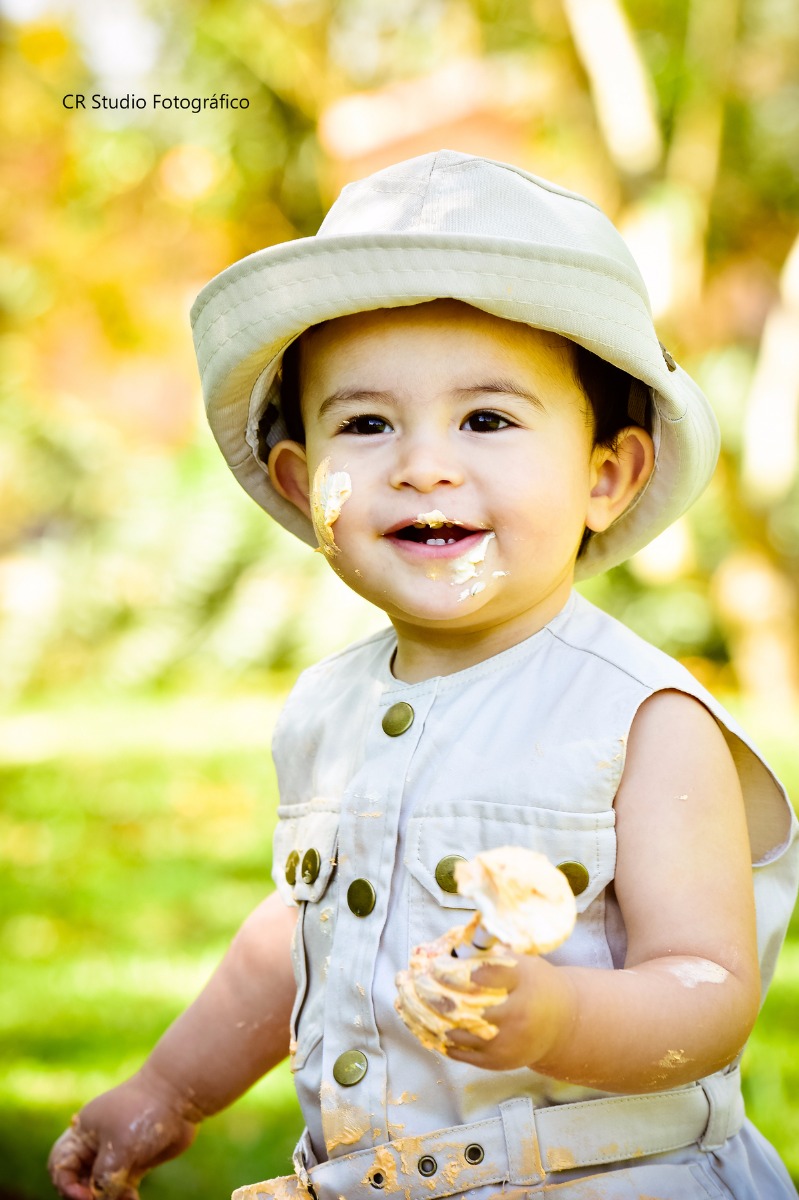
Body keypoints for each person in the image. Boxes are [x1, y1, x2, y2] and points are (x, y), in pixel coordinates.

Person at [49, 150, 799, 1200]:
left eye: (486, 419)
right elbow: (300, 937)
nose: (422, 465)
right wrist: (168, 1090)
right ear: (301, 484)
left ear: (606, 476)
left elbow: (709, 990)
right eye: (365, 424)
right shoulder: (327, 709)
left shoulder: (641, 718)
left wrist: (558, 1018)